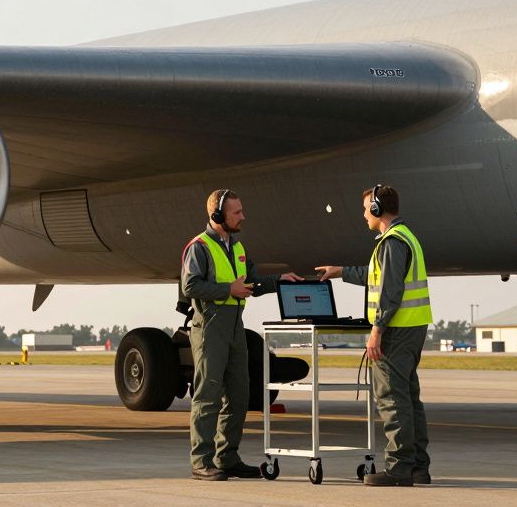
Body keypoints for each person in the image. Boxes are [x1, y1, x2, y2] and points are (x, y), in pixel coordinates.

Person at [181, 188, 301, 481]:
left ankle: (227, 457)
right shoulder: (199, 247)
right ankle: (201, 461)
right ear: (218, 215)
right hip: (210, 326)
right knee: (208, 395)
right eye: (237, 212)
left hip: (235, 326)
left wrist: (279, 281)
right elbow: (190, 286)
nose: (243, 216)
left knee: (239, 394)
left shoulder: (238, 247)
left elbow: (252, 283)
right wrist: (228, 290)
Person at [316, 185, 432, 487]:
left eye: (366, 208)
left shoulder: (392, 242)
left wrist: (376, 331)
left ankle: (399, 468)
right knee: (408, 398)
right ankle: (417, 466)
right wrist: (340, 271)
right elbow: (376, 275)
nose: (364, 214)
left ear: (378, 209)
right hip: (411, 328)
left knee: (392, 399)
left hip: (395, 331)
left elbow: (390, 292)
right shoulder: (404, 237)